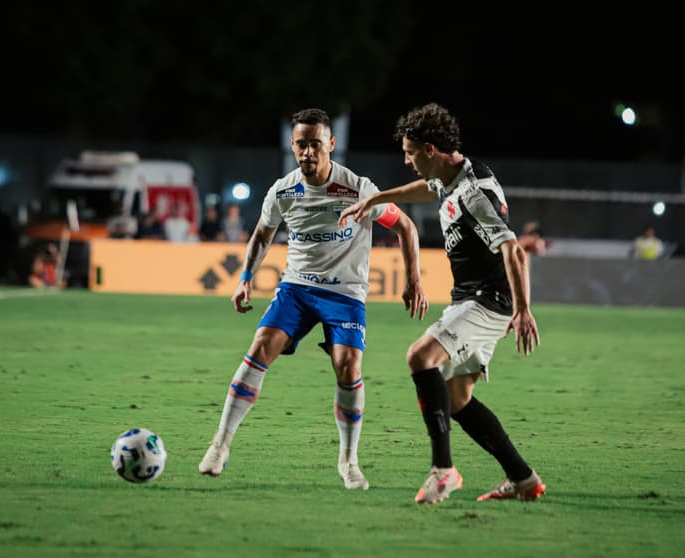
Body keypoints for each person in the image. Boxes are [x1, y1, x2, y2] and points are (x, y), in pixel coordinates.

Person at [198, 108, 429, 490]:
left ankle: (349, 461)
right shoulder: (283, 191)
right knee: (259, 347)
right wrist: (245, 279)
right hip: (297, 288)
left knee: (348, 367)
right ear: (292, 145)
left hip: (344, 294)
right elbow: (261, 234)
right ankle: (220, 445)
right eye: (301, 144)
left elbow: (404, 225)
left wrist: (414, 281)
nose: (308, 152)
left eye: (315, 145)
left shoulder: (357, 188)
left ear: (331, 145)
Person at [339, 102, 544, 504]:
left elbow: (514, 250)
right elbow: (423, 189)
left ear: (430, 150)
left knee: (420, 357)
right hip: (471, 299)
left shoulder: (473, 193)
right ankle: (523, 478)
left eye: (410, 152)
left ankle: (444, 471)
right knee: (456, 399)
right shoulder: (450, 177)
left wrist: (522, 309)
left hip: (488, 301)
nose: (407, 159)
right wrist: (377, 198)